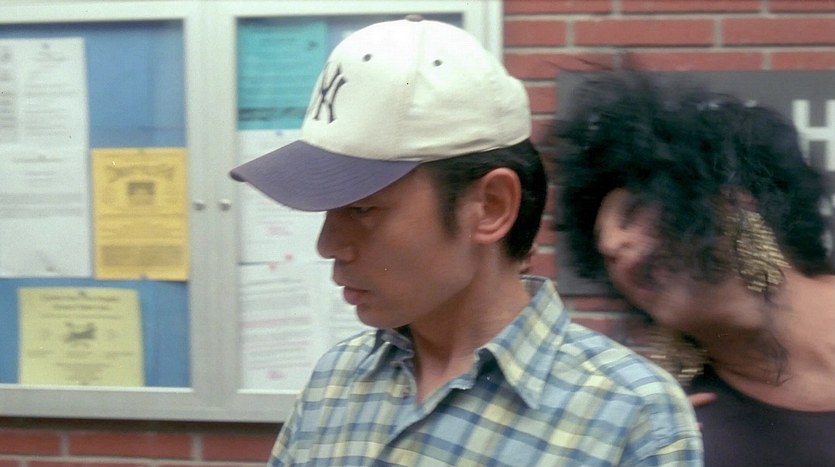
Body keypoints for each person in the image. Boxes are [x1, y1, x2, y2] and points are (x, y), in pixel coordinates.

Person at [231, 18, 702, 466]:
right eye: (329, 209)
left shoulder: (629, 417)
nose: (329, 243)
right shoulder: (335, 382)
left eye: (363, 209)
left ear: (490, 207)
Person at [554, 71, 835, 466]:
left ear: (734, 203)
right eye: (602, 250)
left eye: (633, 212)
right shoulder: (668, 431)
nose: (613, 246)